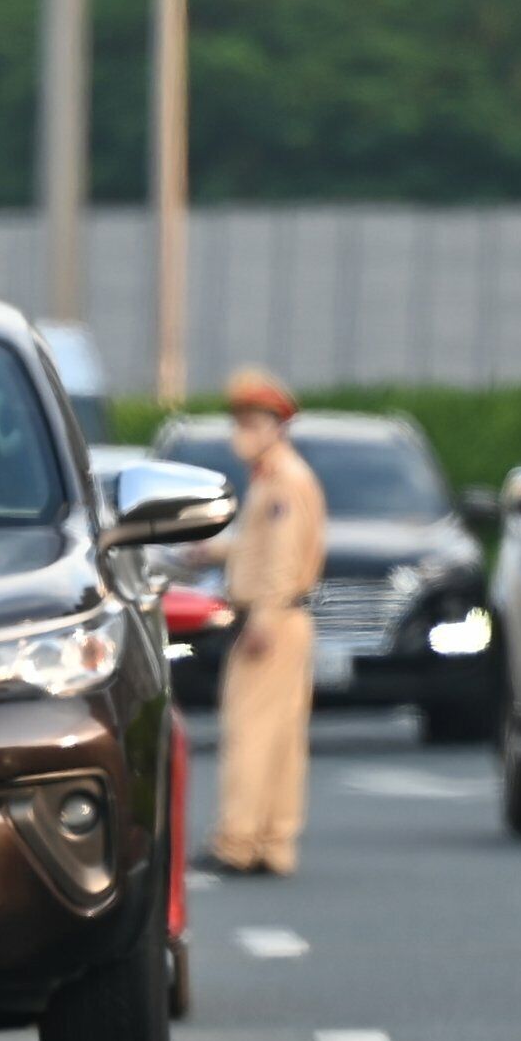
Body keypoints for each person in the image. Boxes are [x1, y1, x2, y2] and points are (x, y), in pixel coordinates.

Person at [205, 366, 327, 876]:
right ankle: (272, 843)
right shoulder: (277, 478)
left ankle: (238, 842)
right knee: (279, 739)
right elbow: (261, 548)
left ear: (277, 427)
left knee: (250, 732)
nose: (243, 433)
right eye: (240, 422)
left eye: (253, 423)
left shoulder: (282, 482)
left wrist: (263, 615)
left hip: (271, 619)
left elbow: (281, 557)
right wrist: (216, 552)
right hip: (284, 618)